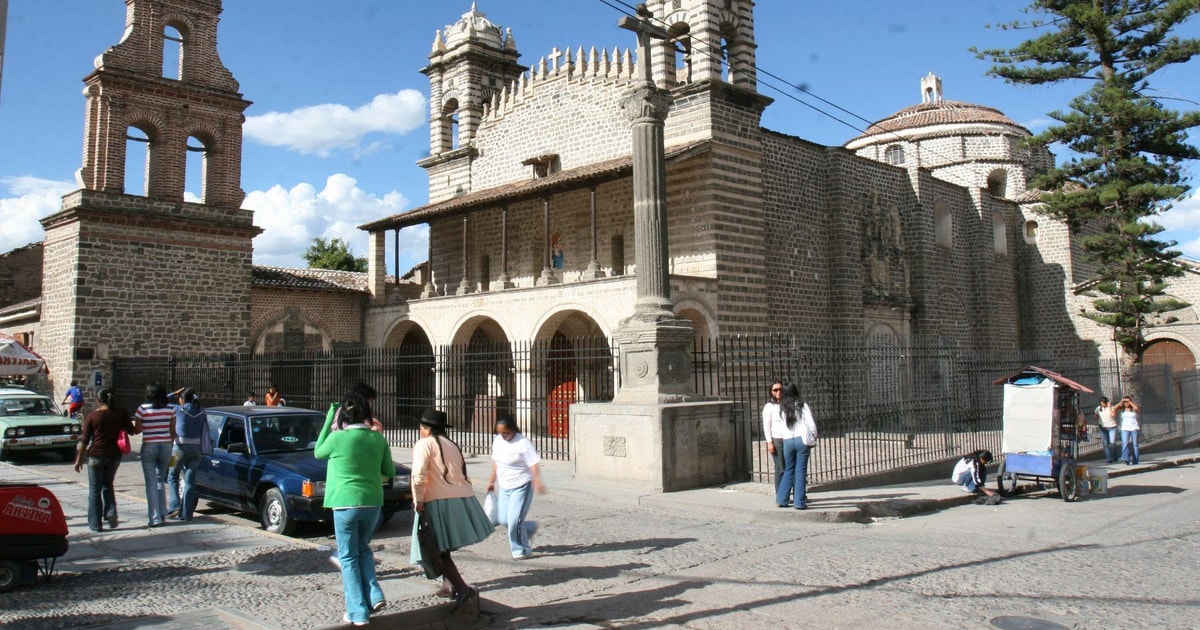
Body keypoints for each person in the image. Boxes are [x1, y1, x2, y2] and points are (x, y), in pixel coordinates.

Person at [314, 391, 394, 627]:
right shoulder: (377, 438)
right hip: (372, 502)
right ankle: (375, 594)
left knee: (348, 557)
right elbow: (389, 470)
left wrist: (329, 417)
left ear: (344, 418)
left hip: (345, 503)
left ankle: (358, 611)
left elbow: (318, 451)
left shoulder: (337, 439)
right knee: (364, 549)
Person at [409, 408, 492, 611]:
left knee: (437, 548)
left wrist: (417, 500)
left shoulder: (424, 444)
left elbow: (418, 476)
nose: (419, 430)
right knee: (443, 546)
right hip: (461, 498)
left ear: (427, 428)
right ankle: (449, 584)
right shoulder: (451, 444)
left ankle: (463, 588)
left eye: (421, 426)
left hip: (438, 500)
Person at [74, 387, 135, 532]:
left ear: (98, 400)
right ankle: (111, 512)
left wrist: (78, 460)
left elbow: (84, 441)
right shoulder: (121, 413)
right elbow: (132, 431)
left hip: (95, 455)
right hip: (114, 456)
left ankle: (95, 524)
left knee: (95, 490)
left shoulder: (93, 416)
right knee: (108, 484)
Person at [486, 414, 545, 560]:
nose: (503, 435)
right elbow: (496, 462)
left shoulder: (522, 442)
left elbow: (533, 463)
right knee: (503, 519)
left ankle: (522, 549)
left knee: (514, 520)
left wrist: (537, 481)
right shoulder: (498, 441)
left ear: (513, 429)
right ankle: (529, 528)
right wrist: (491, 481)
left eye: (506, 432)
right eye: (500, 432)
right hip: (504, 486)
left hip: (521, 485)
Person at [134, 383, 177, 527]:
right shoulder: (171, 408)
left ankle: (155, 517)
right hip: (166, 446)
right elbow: (172, 431)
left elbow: (137, 429)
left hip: (149, 445)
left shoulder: (142, 409)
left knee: (151, 482)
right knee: (160, 478)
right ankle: (163, 510)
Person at [775, 383, 817, 510]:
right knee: (800, 471)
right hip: (801, 439)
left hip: (787, 440)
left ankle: (781, 499)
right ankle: (799, 501)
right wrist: (814, 436)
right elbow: (811, 424)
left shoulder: (781, 408)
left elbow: (782, 426)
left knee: (789, 470)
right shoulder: (802, 406)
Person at [168, 388, 208, 521]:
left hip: (178, 449)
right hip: (196, 450)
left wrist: (173, 393)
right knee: (190, 481)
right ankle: (187, 513)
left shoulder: (178, 409)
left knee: (172, 475)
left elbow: (161, 401)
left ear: (182, 399)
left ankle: (175, 505)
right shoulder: (202, 411)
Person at [761, 380, 785, 493]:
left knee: (790, 467)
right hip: (777, 440)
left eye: (780, 389)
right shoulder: (769, 407)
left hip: (788, 439)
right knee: (780, 467)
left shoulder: (786, 404)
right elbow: (766, 425)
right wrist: (769, 442)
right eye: (775, 390)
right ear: (771, 392)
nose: (778, 392)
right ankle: (780, 493)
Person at [1116, 395, 1140, 465]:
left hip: (1134, 428)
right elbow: (1114, 408)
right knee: (1125, 443)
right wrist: (1121, 401)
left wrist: (1130, 402)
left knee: (1135, 444)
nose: (1126, 403)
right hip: (1125, 428)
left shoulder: (1133, 409)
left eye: (1127, 402)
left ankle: (1135, 460)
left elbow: (1136, 408)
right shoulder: (1122, 409)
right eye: (1125, 402)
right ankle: (1126, 459)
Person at [1095, 396, 1118, 463]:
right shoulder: (1098, 408)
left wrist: (1109, 407)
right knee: (1105, 444)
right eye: (1102, 403)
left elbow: (1113, 414)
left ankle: (1114, 456)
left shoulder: (1111, 408)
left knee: (1112, 443)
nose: (1103, 404)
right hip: (1103, 427)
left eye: (1104, 402)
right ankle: (1109, 459)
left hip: (1111, 427)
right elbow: (1096, 415)